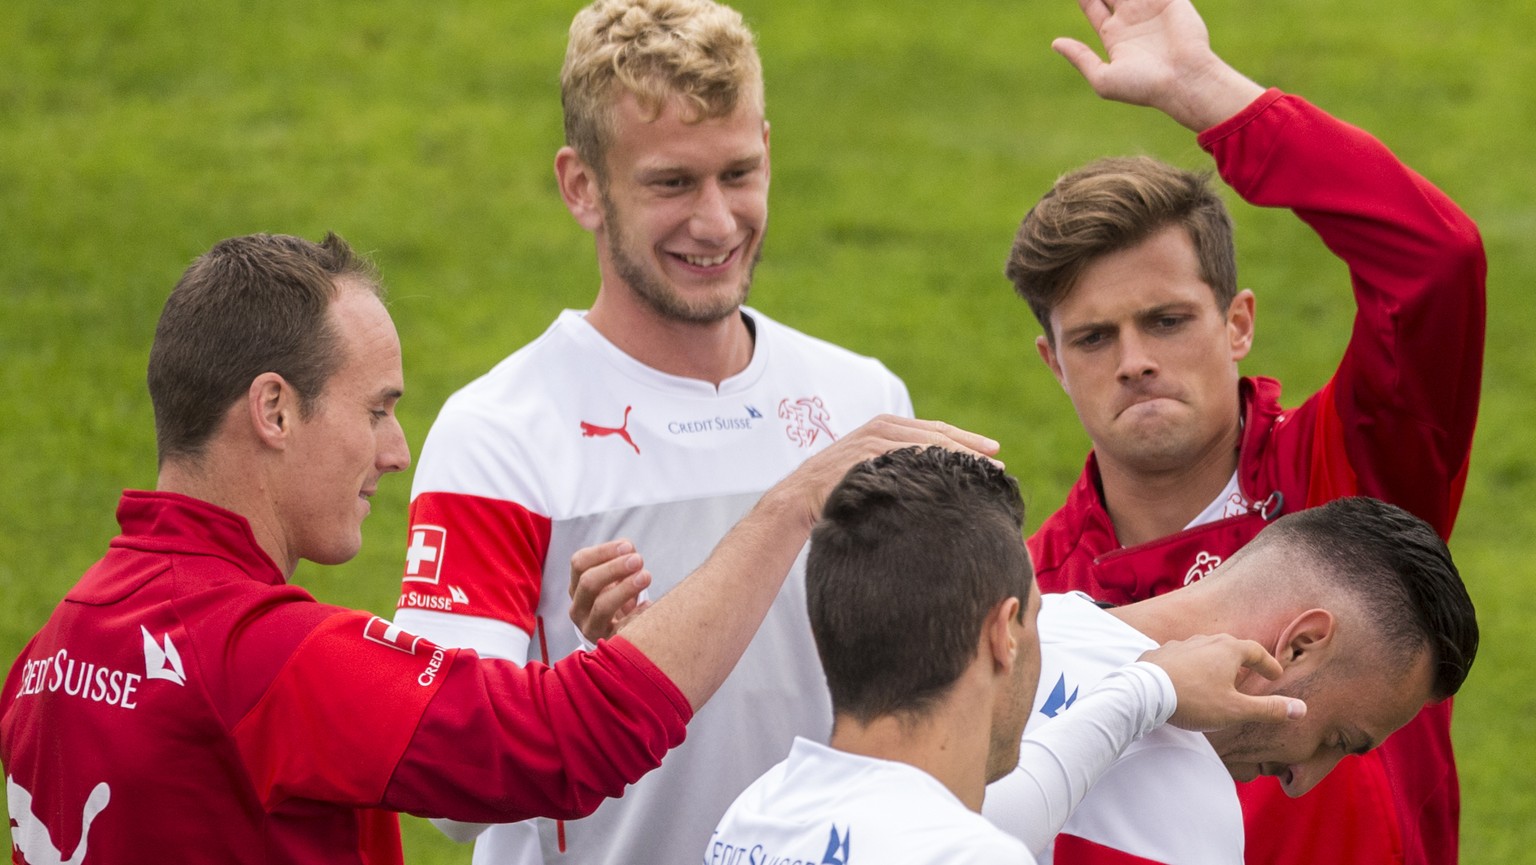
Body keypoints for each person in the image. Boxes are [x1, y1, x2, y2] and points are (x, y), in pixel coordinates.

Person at [0, 232, 993, 865]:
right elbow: (556, 748)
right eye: (378, 410)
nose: (395, 451)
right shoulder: (264, 657)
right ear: (272, 409)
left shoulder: (52, 650)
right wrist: (789, 506)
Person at [389, 1, 912, 863]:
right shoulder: (499, 435)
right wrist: (601, 683)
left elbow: (928, 695)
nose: (715, 222)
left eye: (738, 173)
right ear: (581, 186)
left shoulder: (861, 397)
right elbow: (448, 790)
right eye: (672, 183)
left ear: (770, 153)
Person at [1007, 0, 1486, 861]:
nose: (1133, 361)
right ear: (1053, 361)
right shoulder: (1037, 591)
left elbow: (1433, 263)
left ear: (1238, 323)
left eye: (1166, 320)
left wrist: (1210, 94)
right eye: (1093, 336)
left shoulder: (1354, 476)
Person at [708, 447, 1306, 865]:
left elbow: (1018, 801)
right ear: (1004, 636)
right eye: (1040, 617)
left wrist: (1150, 687)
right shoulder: (968, 855)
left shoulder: (756, 813)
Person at [985, 496, 1480, 864]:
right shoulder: (1192, 809)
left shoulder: (986, 634)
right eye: (1336, 739)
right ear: (1299, 645)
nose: (1299, 782)